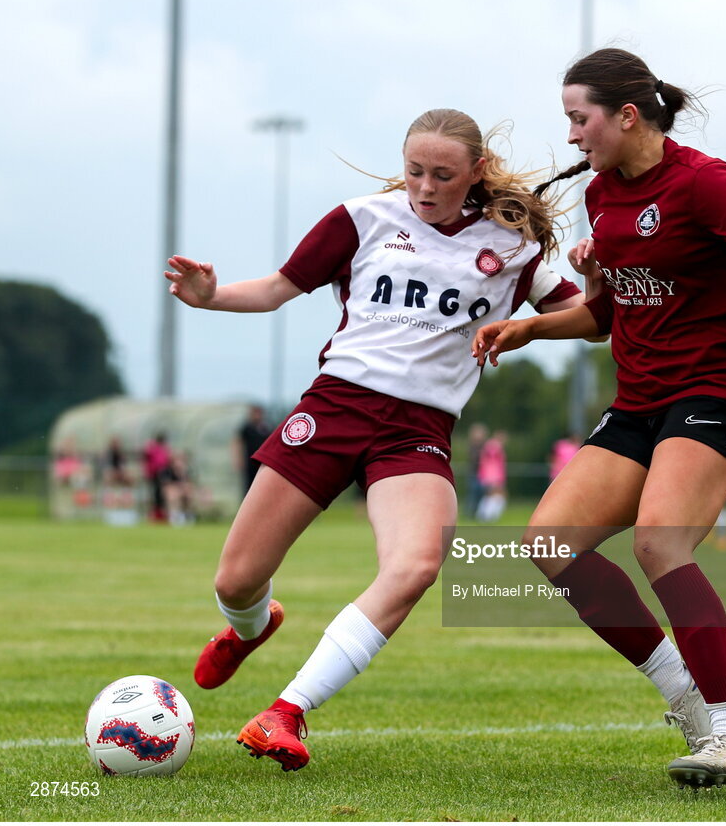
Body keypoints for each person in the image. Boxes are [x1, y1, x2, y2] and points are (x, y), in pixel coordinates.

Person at [163, 108, 593, 772]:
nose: (424, 186)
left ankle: (286, 711)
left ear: (476, 173)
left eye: (443, 175)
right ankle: (251, 626)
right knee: (238, 578)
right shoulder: (362, 218)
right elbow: (279, 288)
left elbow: (589, 322)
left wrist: (589, 286)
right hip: (335, 408)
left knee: (417, 566)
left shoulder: (515, 247)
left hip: (418, 431)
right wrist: (211, 296)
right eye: (415, 170)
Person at [473, 49, 726, 790]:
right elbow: (605, 317)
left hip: (715, 394)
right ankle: (689, 702)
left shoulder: (705, 183)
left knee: (662, 544)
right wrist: (531, 328)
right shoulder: (602, 195)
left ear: (626, 115)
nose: (571, 136)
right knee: (548, 544)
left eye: (579, 118)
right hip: (638, 403)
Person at [235, 404, 271, 496]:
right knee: (249, 485)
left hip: (262, 463)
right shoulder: (247, 428)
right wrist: (238, 459)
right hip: (250, 462)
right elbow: (238, 442)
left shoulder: (266, 428)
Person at [475, 430, 508, 522]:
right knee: (494, 495)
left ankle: (486, 515)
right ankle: (487, 515)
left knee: (491, 495)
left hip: (491, 475)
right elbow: (492, 463)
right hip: (492, 476)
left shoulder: (490, 446)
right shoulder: (494, 446)